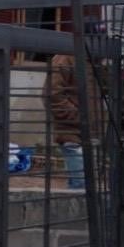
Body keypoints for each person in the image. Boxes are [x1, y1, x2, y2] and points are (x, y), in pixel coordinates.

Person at [42, 54, 87, 190]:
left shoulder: (92, 58)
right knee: (80, 186)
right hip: (72, 131)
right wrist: (75, 115)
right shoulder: (65, 57)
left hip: (89, 131)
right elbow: (51, 93)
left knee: (85, 186)